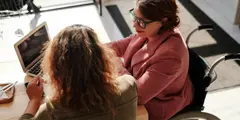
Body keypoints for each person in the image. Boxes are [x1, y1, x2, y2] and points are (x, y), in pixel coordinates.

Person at [19, 24, 137, 120]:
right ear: (102, 58)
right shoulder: (129, 85)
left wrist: (34, 100)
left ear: (56, 68)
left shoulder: (52, 111)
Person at [107, 0, 193, 119]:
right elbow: (120, 45)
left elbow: (138, 96)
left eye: (141, 22)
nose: (134, 25)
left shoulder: (171, 55)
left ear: (164, 20)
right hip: (136, 88)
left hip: (154, 104)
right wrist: (92, 48)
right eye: (134, 17)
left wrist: (116, 63)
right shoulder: (151, 30)